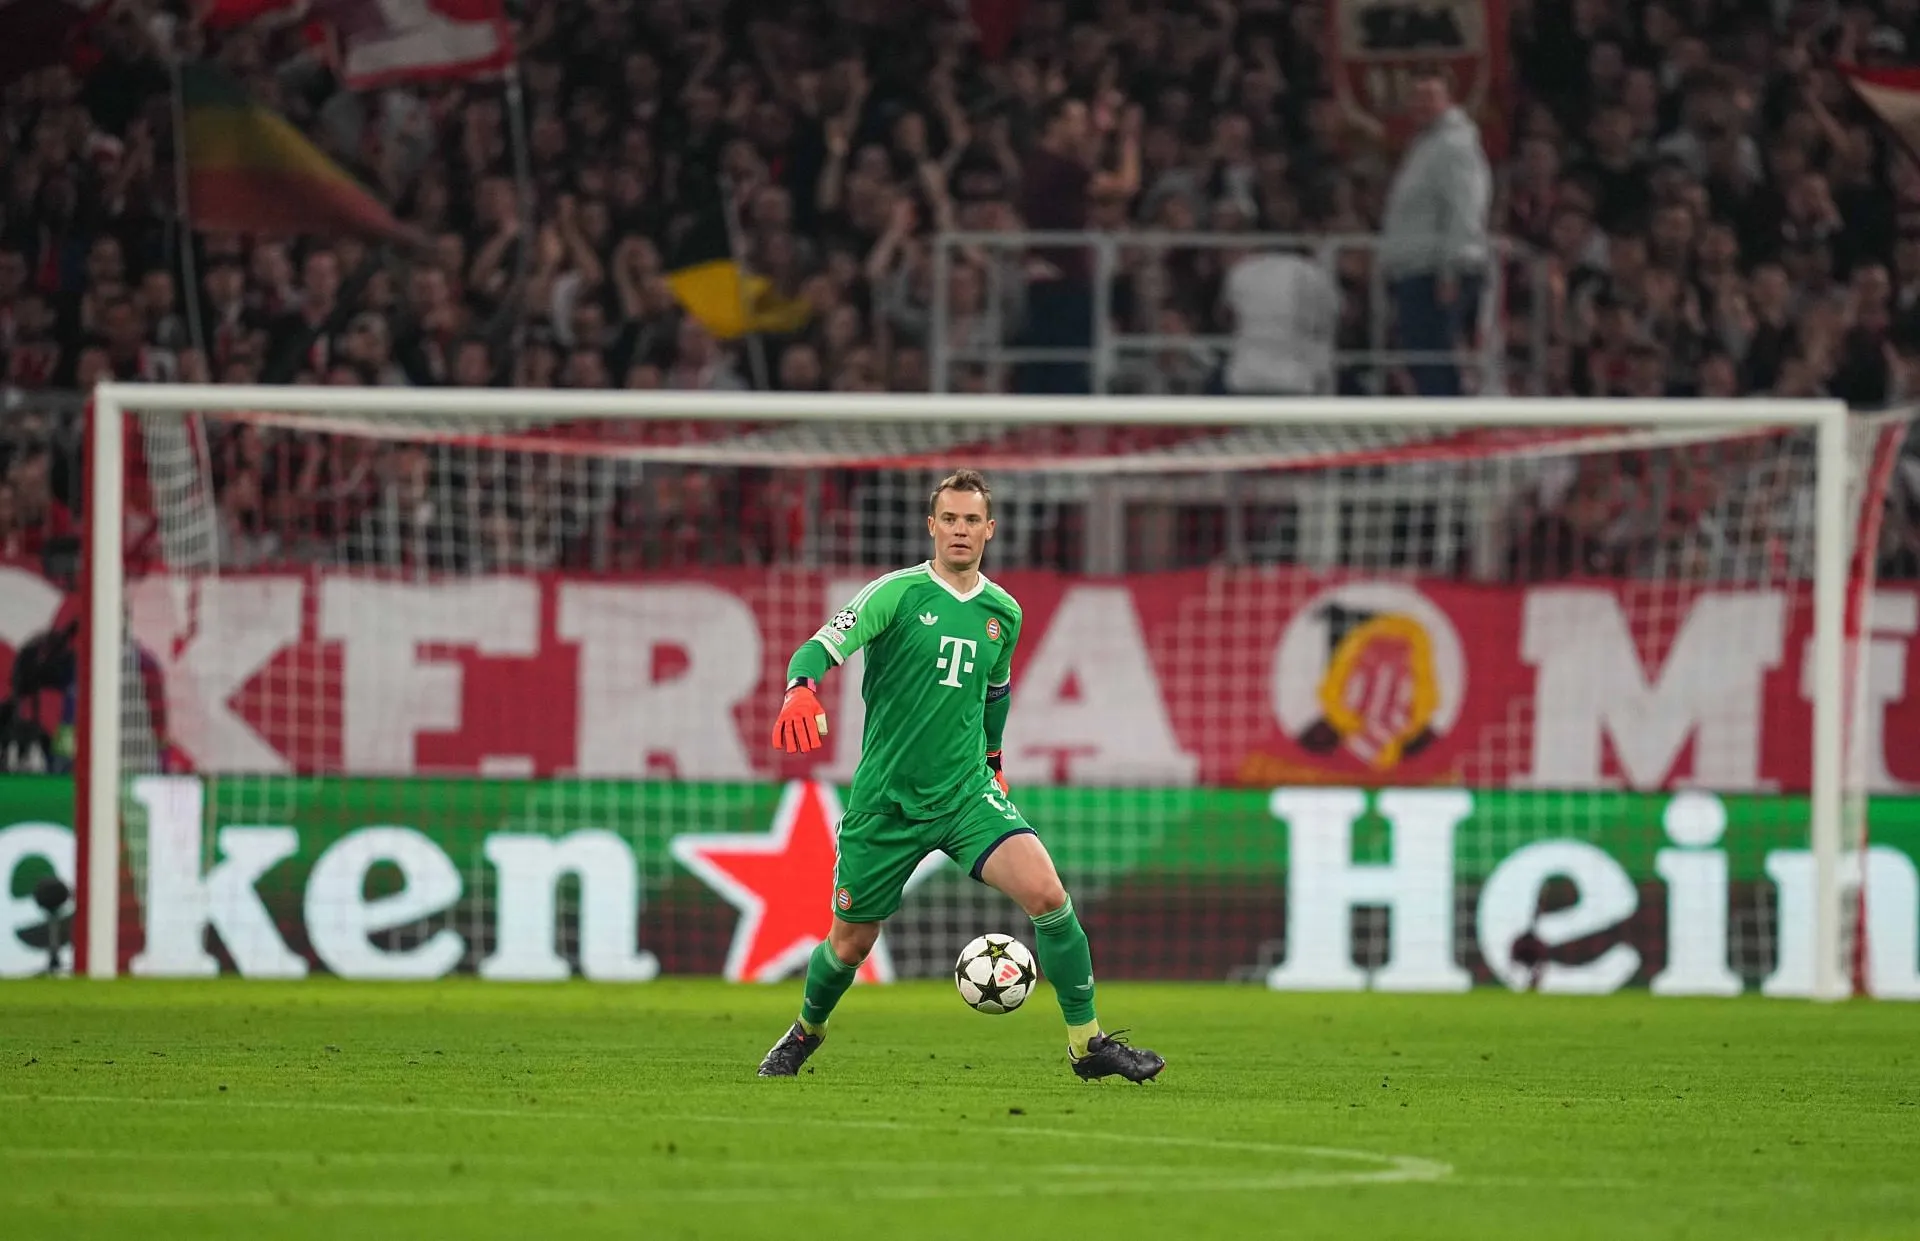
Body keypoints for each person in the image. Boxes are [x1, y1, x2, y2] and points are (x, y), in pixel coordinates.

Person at [757, 469, 1164, 1083]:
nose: (959, 530)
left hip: (965, 794)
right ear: (932, 526)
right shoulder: (894, 595)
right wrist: (800, 688)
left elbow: (994, 692)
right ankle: (804, 1032)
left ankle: (1088, 1044)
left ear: (989, 530)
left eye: (971, 520)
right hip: (887, 803)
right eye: (949, 518)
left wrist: (994, 761)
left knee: (1050, 897)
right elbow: (818, 647)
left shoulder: (1004, 611)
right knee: (848, 946)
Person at [1379, 68, 1492, 396]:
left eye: (1429, 96)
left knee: (1437, 361)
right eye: (1416, 97)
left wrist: (1451, 269)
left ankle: (1449, 433)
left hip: (1436, 271)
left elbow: (1465, 208)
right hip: (1418, 268)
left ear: (1448, 99)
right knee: (1424, 359)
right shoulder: (1427, 146)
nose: (1421, 105)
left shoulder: (1455, 146)